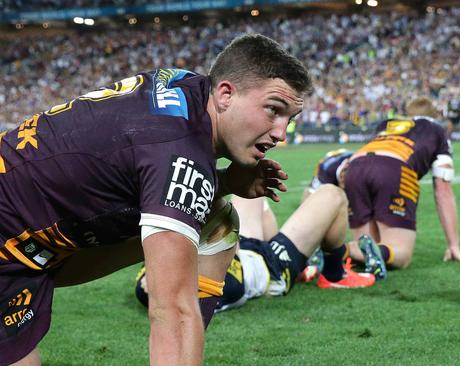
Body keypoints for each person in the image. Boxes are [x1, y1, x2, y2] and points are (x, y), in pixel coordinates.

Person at [0, 33, 312, 366]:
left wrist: (223, 182)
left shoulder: (186, 86)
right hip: (12, 244)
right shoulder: (179, 151)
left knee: (216, 220)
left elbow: (147, 164)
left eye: (288, 119)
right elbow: (172, 310)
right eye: (273, 110)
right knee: (178, 310)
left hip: (33, 238)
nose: (281, 133)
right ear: (225, 94)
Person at [135, 184, 375, 312]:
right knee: (333, 195)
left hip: (247, 251)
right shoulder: (206, 289)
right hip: (271, 269)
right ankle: (334, 273)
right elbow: (232, 289)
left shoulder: (166, 257)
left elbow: (146, 282)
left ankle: (305, 264)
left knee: (252, 188)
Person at [343, 96, 460, 279]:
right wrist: (453, 244)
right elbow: (443, 190)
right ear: (434, 115)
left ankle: (335, 251)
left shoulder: (386, 124)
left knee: (367, 245)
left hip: (355, 166)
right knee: (399, 253)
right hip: (394, 167)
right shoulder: (437, 130)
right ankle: (339, 251)